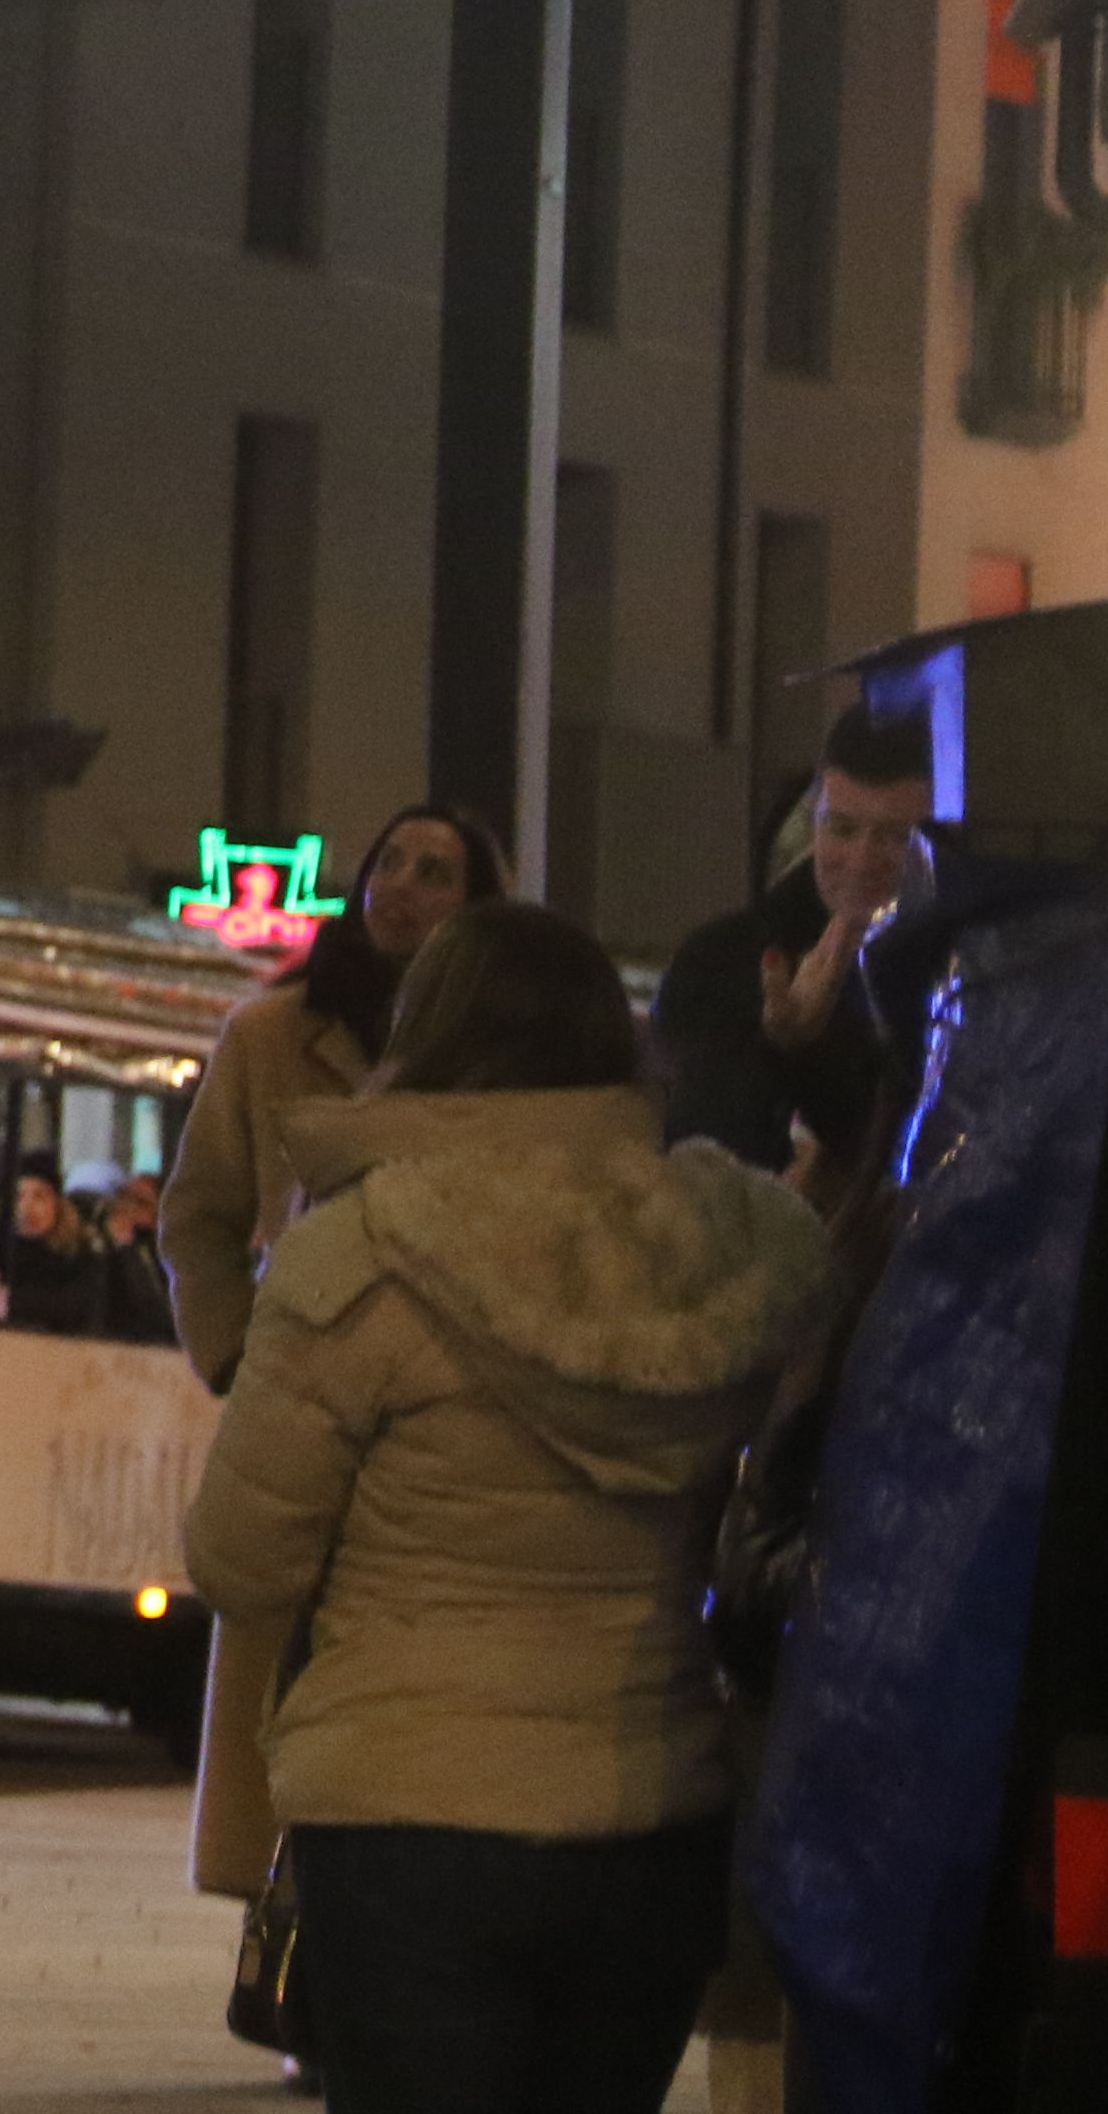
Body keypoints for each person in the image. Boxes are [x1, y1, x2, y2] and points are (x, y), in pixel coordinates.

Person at [181, 903, 828, 2114]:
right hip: (651, 1818)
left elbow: (241, 1558)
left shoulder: (359, 1255)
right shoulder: (718, 1247)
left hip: (406, 1824)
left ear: (423, 1033)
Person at [161, 797, 506, 1901]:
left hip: (449, 1417)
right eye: (389, 859)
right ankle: (291, 1938)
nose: (402, 884)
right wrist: (232, 1355)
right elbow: (198, 1215)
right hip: (307, 1399)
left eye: (437, 872)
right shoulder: (272, 1037)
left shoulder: (496, 1057)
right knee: (289, 1687)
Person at [651, 708, 926, 1174]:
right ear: (811, 822)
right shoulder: (723, 959)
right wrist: (779, 1048)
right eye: (841, 829)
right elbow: (696, 1156)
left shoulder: (974, 964)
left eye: (895, 837)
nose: (861, 861)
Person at [1, 1163, 108, 1336]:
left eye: (39, 1196)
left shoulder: (80, 1259)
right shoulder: (2, 1257)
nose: (27, 1207)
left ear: (57, 1204)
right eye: (19, 1197)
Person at [78, 1167, 177, 1347]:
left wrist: (127, 1248)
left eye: (140, 1203)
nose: (128, 1208)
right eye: (124, 1197)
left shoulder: (165, 1255)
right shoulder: (98, 1242)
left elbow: (156, 1313)